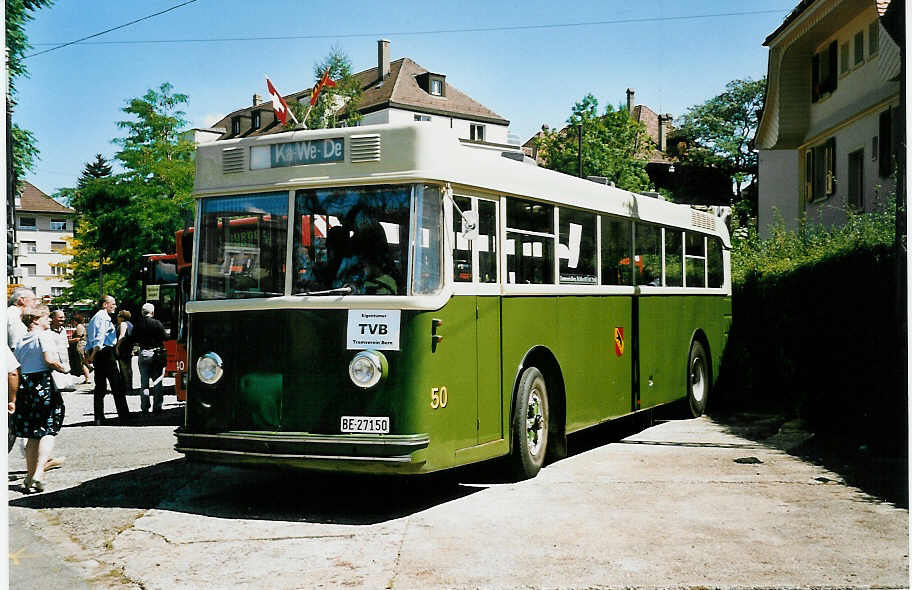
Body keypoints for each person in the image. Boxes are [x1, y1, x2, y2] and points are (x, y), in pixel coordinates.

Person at [11, 305, 67, 493]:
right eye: (46, 317)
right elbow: (49, 359)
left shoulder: (21, 340)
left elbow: (17, 367)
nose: (49, 320)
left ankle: (29, 476)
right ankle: (39, 473)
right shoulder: (44, 336)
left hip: (25, 385)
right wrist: (64, 369)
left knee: (32, 434)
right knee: (48, 429)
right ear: (36, 320)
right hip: (42, 382)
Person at [86, 295, 130, 425]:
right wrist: (93, 355)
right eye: (113, 304)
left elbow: (90, 338)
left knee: (100, 386)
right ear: (105, 304)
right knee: (117, 385)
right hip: (105, 352)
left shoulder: (95, 317)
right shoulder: (103, 318)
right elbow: (99, 339)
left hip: (99, 354)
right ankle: (124, 414)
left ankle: (98, 417)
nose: (115, 306)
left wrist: (90, 354)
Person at [131, 303, 168, 414]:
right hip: (156, 353)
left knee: (144, 382)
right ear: (152, 312)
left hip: (143, 353)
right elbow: (165, 337)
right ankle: (157, 406)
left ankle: (145, 407)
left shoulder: (138, 324)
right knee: (157, 381)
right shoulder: (157, 323)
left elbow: (133, 338)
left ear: (142, 312)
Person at [115, 310, 134, 392]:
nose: (117, 318)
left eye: (118, 316)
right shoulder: (130, 324)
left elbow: (122, 336)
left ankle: (126, 387)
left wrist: (117, 347)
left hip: (123, 349)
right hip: (128, 348)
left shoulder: (123, 324)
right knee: (128, 368)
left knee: (124, 368)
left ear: (122, 318)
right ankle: (129, 386)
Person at [72, 313, 91, 383]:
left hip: (80, 345)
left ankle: (88, 376)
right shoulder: (82, 326)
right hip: (83, 345)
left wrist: (67, 341)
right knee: (84, 361)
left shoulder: (79, 327)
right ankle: (87, 378)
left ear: (75, 321)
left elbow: (77, 338)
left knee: (82, 362)